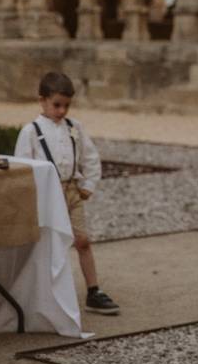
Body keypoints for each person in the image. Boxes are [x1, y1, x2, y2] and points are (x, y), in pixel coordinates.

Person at [14, 72, 120, 315]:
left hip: (72, 191)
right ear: (42, 101)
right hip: (47, 195)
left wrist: (88, 185)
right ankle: (49, 293)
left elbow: (90, 157)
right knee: (50, 243)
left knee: (82, 240)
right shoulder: (31, 131)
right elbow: (22, 166)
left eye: (66, 106)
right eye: (56, 105)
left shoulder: (75, 128)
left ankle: (93, 291)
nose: (62, 111)